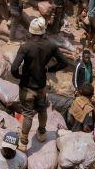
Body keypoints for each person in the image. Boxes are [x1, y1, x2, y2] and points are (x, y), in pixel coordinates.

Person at [10, 16, 67, 150]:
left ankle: (23, 142)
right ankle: (42, 132)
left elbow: (13, 68)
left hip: (27, 86)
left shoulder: (25, 47)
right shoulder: (51, 45)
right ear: (43, 31)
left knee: (28, 114)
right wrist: (49, 68)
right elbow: (63, 62)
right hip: (41, 86)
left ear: (30, 32)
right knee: (42, 110)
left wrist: (19, 76)